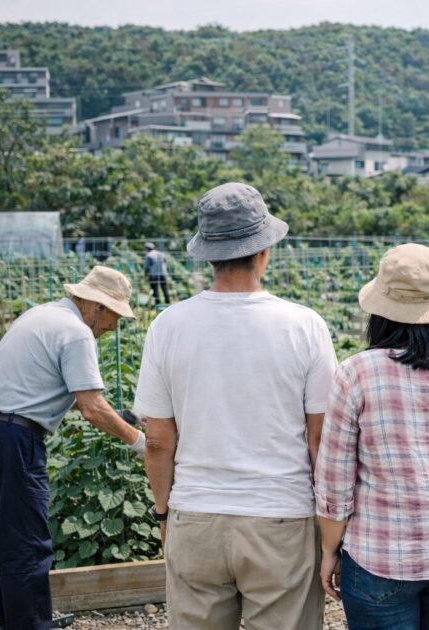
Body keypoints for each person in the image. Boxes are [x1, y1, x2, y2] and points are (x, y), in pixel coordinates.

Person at [136, 182, 337, 629]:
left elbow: (157, 440)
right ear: (264, 251)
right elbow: (320, 438)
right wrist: (329, 530)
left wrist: (164, 512)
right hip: (280, 516)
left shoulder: (168, 326)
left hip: (196, 514)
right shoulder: (304, 325)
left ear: (207, 255)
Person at [315, 243, 429, 629]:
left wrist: (329, 550)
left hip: (380, 557)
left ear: (380, 311)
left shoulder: (355, 374)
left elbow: (335, 484)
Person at [0, 266, 146, 630]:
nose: (114, 327)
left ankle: (20, 623)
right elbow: (93, 408)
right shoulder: (77, 333)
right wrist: (138, 441)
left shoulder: (42, 314)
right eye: (114, 316)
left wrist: (127, 416)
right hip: (13, 441)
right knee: (28, 548)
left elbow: (66, 396)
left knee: (4, 545)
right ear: (96, 306)